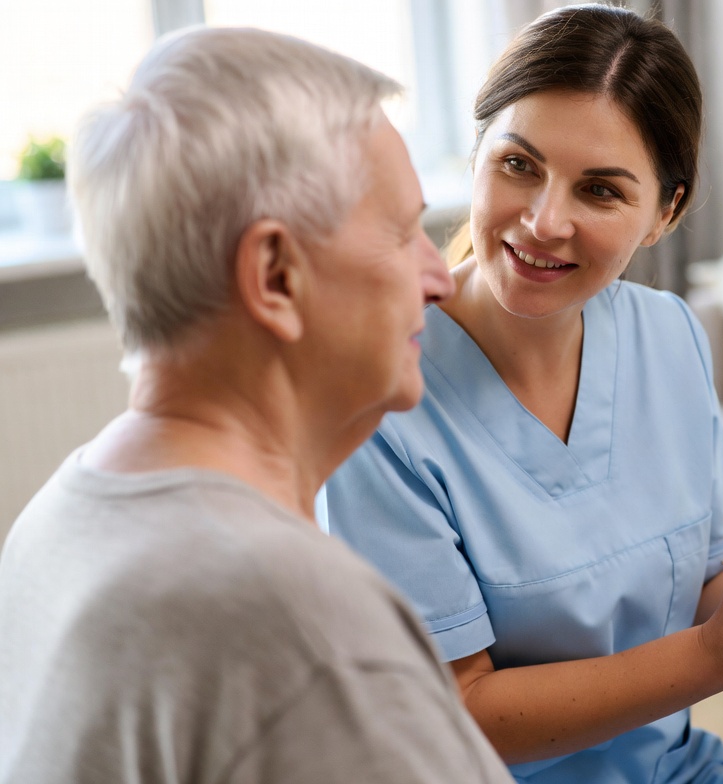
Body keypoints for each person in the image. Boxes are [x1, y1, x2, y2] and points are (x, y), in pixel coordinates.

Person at [324, 5, 723, 783]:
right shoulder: (380, 399)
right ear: (476, 154)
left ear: (665, 212)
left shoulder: (669, 335)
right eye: (518, 165)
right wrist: (711, 654)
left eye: (599, 190)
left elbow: (705, 588)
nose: (543, 221)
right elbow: (459, 712)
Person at [0, 26, 516, 784]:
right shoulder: (303, 623)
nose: (439, 277)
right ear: (274, 275)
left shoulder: (57, 517)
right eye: (405, 232)